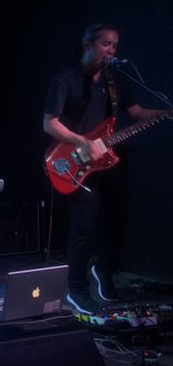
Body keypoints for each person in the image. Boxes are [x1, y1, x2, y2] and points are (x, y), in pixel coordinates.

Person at [43, 22, 163, 315]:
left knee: (118, 219)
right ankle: (76, 288)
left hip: (109, 159)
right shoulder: (65, 80)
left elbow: (136, 113)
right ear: (88, 45)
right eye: (106, 44)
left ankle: (104, 269)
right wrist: (83, 142)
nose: (111, 50)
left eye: (115, 46)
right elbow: (49, 123)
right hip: (77, 161)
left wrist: (165, 111)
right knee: (83, 226)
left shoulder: (115, 79)